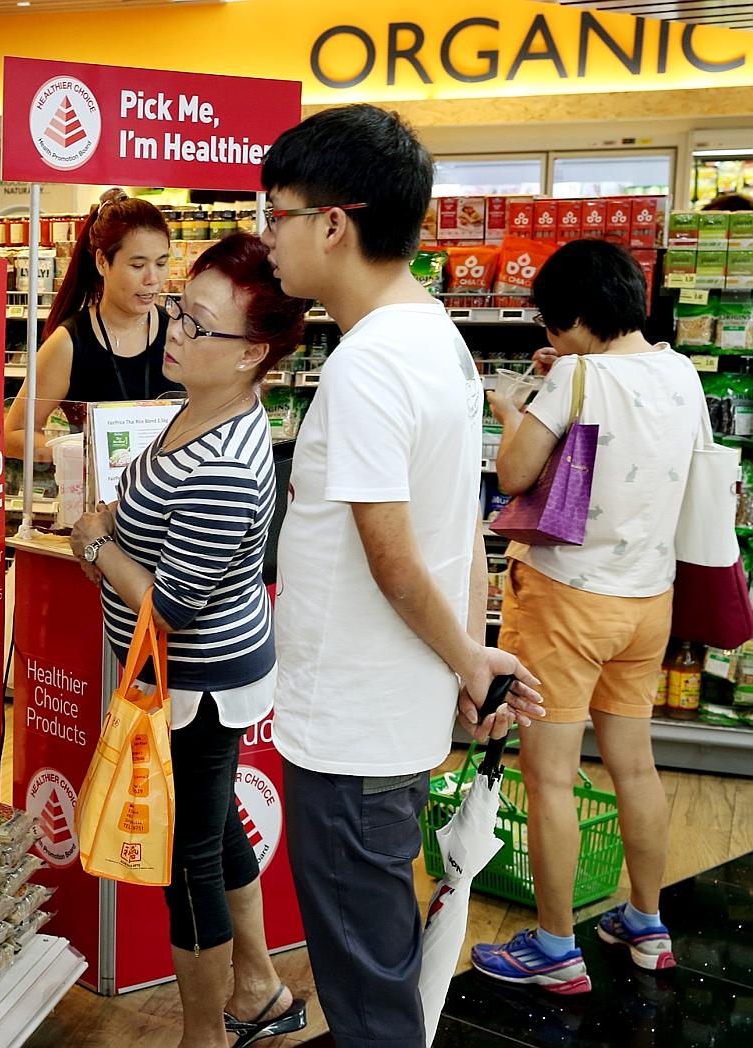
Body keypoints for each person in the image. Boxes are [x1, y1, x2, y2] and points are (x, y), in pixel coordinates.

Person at [261, 104, 545, 1048]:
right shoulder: (439, 340)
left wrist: (468, 656)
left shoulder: (370, 362)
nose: (268, 240)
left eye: (277, 215)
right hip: (396, 711)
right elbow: (457, 526)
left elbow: (392, 558)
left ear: (333, 223)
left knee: (368, 988)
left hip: (349, 724)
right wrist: (467, 659)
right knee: (382, 952)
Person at [70, 234, 309, 1048]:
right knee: (208, 831)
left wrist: (98, 546)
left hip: (197, 682)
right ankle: (262, 984)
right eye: (181, 309)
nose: (176, 330)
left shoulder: (226, 464)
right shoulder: (199, 406)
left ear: (252, 354)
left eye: (199, 325)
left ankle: (206, 1034)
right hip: (192, 676)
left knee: (187, 864)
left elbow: (168, 606)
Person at [470, 239, 701, 992]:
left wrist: (513, 406)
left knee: (553, 780)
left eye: (551, 324)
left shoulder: (573, 375)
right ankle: (646, 922)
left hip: (567, 600)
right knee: (635, 765)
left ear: (573, 317)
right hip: (647, 602)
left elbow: (513, 472)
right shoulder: (679, 371)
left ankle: (555, 945)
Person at [4, 189, 173, 462]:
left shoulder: (179, 333)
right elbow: (14, 434)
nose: (153, 278)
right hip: (95, 502)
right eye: (137, 265)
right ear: (102, 261)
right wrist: (83, 455)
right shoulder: (69, 343)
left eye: (162, 263)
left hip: (171, 500)